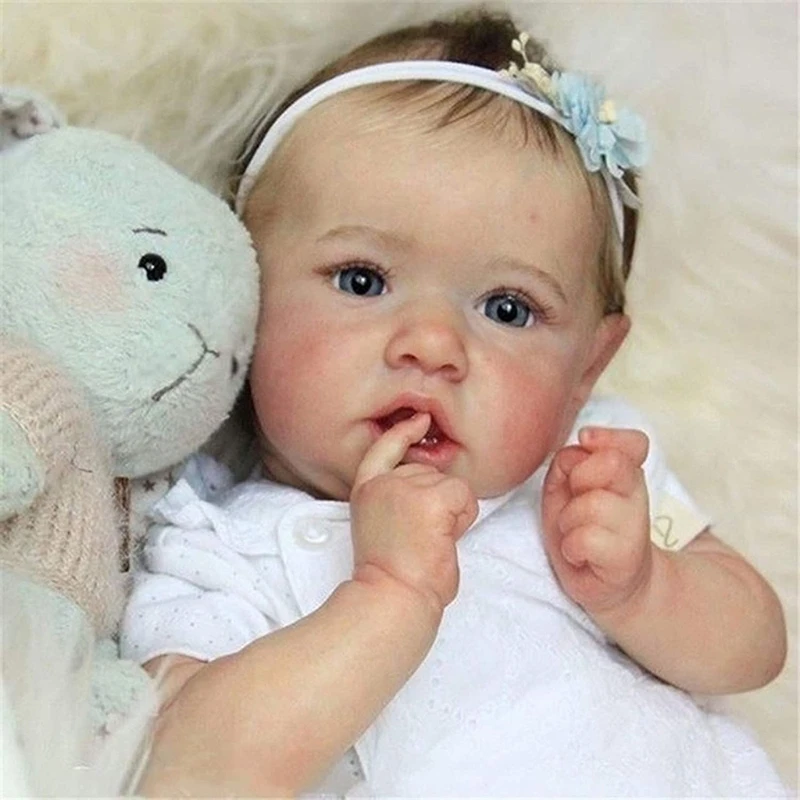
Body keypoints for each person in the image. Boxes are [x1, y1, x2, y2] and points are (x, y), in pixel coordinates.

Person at [121, 9, 788, 797]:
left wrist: (644, 588)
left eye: (508, 309)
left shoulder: (593, 473)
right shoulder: (219, 548)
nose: (434, 345)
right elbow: (191, 768)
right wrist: (387, 596)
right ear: (247, 293)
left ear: (587, 367)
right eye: (362, 280)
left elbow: (756, 647)